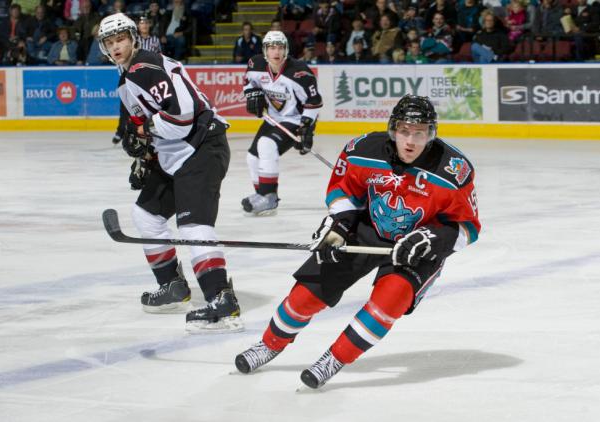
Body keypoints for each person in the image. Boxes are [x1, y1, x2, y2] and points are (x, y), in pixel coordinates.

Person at [234, 95, 481, 388]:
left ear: (431, 134)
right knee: (306, 294)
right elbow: (343, 193)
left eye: (419, 133)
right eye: (404, 131)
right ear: (392, 129)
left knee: (391, 300)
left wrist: (430, 239)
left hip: (415, 246)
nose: (411, 141)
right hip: (366, 229)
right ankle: (270, 344)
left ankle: (335, 358)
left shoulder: (453, 170)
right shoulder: (362, 149)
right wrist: (338, 225)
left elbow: (467, 227)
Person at [98, 13, 243, 332]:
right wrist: (142, 155)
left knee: (193, 225)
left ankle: (222, 300)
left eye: (120, 39)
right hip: (178, 154)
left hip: (201, 148)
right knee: (146, 216)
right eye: (110, 42)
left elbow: (181, 117)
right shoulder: (127, 80)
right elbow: (131, 131)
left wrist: (146, 133)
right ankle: (174, 287)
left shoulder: (143, 68)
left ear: (133, 38)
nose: (116, 46)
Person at [241, 30, 323, 216]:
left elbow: (314, 103)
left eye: (279, 47)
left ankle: (268, 196)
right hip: (274, 118)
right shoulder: (256, 64)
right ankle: (262, 195)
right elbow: (248, 83)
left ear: (286, 49)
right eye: (271, 47)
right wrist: (252, 95)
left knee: (266, 144)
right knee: (252, 158)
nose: (276, 52)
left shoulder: (300, 72)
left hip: (294, 120)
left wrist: (307, 128)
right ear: (265, 50)